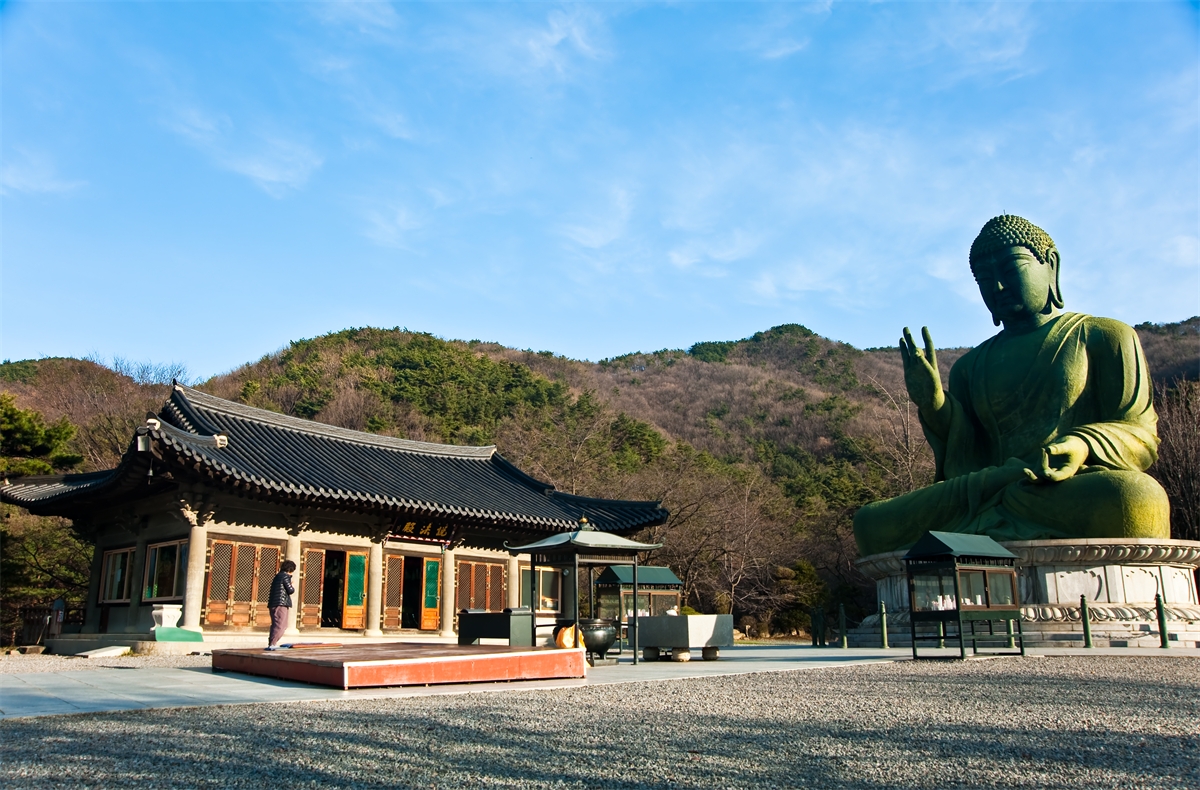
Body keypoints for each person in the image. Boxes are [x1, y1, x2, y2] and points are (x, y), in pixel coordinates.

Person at [853, 215, 1170, 557]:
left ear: (1051, 265)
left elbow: (1140, 435)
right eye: (985, 279)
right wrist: (934, 405)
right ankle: (987, 526)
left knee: (1136, 498)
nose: (998, 287)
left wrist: (1081, 445)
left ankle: (984, 531)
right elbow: (968, 456)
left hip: (1059, 486)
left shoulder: (1104, 336)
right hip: (988, 489)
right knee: (871, 523)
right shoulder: (969, 367)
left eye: (1010, 269)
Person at [266, 560, 296, 650]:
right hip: (280, 603)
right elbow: (290, 590)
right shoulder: (285, 576)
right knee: (280, 624)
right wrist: (292, 585)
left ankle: (272, 642)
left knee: (278, 624)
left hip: (275, 603)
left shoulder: (278, 576)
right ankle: (272, 643)